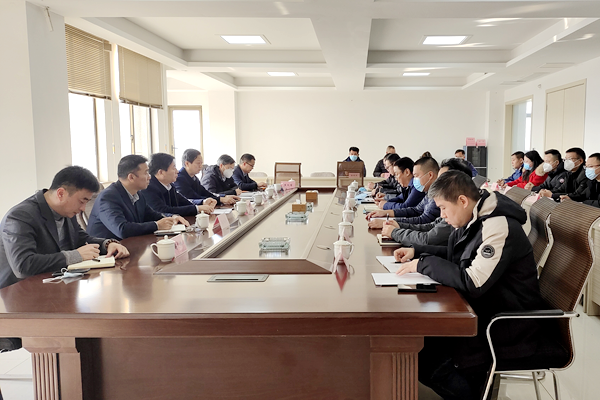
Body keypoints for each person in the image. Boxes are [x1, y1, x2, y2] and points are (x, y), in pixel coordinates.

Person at [394, 170, 545, 400]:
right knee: (418, 345)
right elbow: (458, 256)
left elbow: (473, 281)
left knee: (425, 358)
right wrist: (418, 252)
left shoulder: (498, 226)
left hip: (506, 323)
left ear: (462, 201)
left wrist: (423, 264)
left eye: (443, 208)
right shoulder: (475, 216)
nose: (442, 215)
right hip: (485, 308)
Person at [0, 166, 130, 289]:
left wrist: (107, 244)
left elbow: (80, 238)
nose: (83, 208)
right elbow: (23, 266)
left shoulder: (65, 210)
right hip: (20, 292)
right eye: (82, 201)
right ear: (61, 193)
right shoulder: (20, 217)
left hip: (56, 284)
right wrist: (76, 255)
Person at [87, 155, 189, 240]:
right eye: (146, 173)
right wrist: (157, 225)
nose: (149, 177)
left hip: (130, 246)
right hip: (106, 253)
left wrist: (172, 218)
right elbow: (122, 229)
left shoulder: (138, 194)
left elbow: (151, 215)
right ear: (131, 177)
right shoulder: (108, 197)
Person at [380, 158, 473, 247]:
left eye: (441, 180)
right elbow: (430, 224)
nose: (437, 183)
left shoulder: (453, 208)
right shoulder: (434, 196)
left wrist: (395, 232)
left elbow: (429, 238)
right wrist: (397, 224)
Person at [366, 157, 440, 228]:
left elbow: (424, 220)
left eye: (416, 176)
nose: (414, 179)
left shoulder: (438, 194)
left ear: (430, 175)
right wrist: (386, 213)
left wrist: (388, 222)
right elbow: (416, 210)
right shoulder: (429, 192)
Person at [141, 153, 216, 216]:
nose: (177, 171)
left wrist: (202, 203)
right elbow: (162, 210)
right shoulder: (148, 188)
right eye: (173, 168)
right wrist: (197, 208)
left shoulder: (170, 185)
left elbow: (183, 202)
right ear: (161, 172)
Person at [174, 149, 239, 206]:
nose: (201, 166)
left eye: (201, 163)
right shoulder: (179, 178)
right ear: (187, 164)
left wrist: (223, 197)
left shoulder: (194, 177)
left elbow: (205, 192)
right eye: (198, 163)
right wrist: (220, 199)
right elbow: (193, 197)